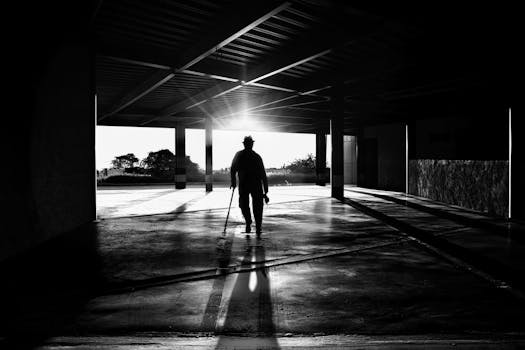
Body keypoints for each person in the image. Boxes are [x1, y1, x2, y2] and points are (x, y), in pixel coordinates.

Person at [230, 136, 269, 234]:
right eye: (248, 143)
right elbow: (233, 169)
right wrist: (233, 181)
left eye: (250, 143)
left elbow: (262, 173)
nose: (250, 145)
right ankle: (249, 221)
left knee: (257, 206)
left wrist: (266, 188)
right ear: (245, 144)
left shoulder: (256, 156)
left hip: (253, 184)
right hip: (246, 184)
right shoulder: (241, 155)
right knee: (244, 204)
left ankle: (257, 225)